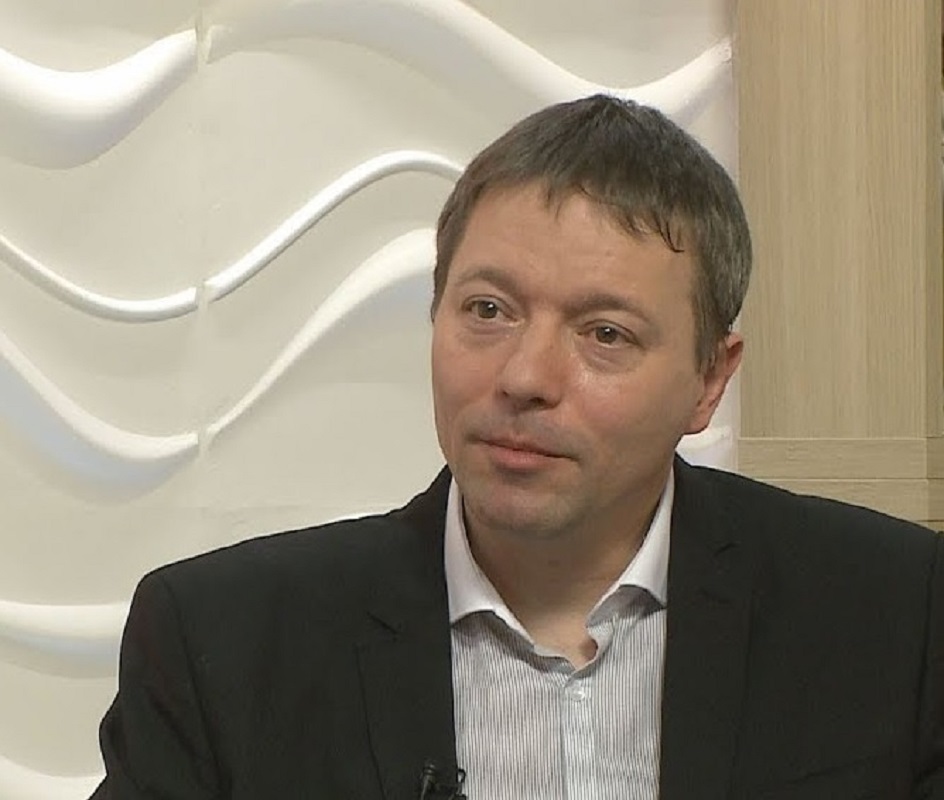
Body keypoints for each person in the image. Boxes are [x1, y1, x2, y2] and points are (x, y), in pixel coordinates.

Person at [91, 95, 944, 799]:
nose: (525, 377)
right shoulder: (223, 645)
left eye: (605, 333)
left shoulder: (899, 618)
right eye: (488, 311)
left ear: (708, 380)